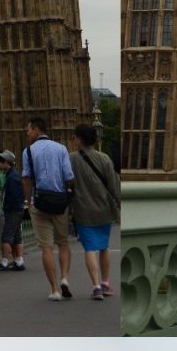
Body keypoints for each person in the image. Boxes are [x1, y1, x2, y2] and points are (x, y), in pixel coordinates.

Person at [20, 116, 77, 299]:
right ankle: (65, 278)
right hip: (60, 202)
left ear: (37, 130)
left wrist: (28, 202)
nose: (27, 133)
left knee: (46, 248)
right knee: (63, 243)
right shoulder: (61, 148)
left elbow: (26, 179)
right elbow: (69, 177)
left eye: (29, 129)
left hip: (39, 202)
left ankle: (54, 290)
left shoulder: (28, 151)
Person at [67, 124, 119, 299]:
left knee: (90, 248)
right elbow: (114, 186)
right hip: (104, 210)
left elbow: (67, 182)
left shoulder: (71, 159)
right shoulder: (104, 158)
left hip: (83, 210)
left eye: (74, 137)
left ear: (79, 139)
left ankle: (96, 287)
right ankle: (105, 283)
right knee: (104, 247)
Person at [0, 151, 27, 270]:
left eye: (0, 161)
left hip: (13, 210)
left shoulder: (11, 177)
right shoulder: (14, 174)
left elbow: (13, 196)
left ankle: (4, 262)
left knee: (6, 237)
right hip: (18, 209)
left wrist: (7, 208)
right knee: (17, 236)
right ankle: (19, 261)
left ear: (6, 163)